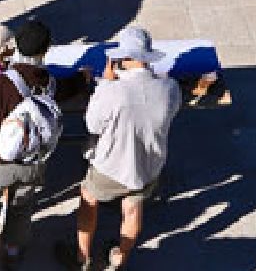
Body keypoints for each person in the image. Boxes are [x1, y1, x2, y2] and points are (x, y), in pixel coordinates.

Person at [0, 20, 91, 270]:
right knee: (21, 207)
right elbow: (67, 89)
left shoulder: (2, 83)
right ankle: (13, 250)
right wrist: (83, 78)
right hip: (33, 161)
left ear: (16, 45)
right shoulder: (48, 81)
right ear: (45, 50)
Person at [56, 26, 181, 270]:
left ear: (123, 57)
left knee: (89, 200)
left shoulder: (112, 91)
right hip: (148, 165)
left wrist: (105, 85)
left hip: (110, 166)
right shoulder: (170, 88)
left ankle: (82, 257)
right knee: (133, 210)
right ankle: (119, 258)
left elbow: (92, 124)